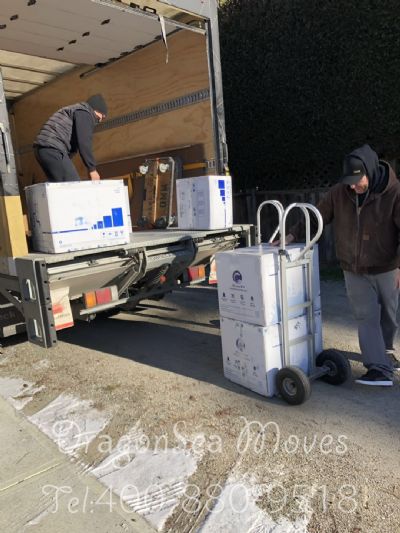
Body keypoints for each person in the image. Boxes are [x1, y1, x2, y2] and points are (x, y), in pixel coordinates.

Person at [283, 144, 400, 386]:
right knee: (366, 317)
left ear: (370, 171)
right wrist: (293, 234)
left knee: (389, 316)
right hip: (353, 268)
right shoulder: (339, 193)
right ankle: (379, 369)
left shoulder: (395, 193)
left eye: (357, 182)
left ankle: (387, 350)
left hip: (387, 267)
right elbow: (316, 217)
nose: (353, 187)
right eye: (349, 182)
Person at [33, 94, 108, 182]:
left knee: (59, 184)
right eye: (100, 117)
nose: (100, 120)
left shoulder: (76, 111)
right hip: (53, 149)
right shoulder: (85, 113)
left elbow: (74, 143)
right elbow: (84, 142)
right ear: (95, 109)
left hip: (43, 149)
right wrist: (92, 169)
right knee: (73, 184)